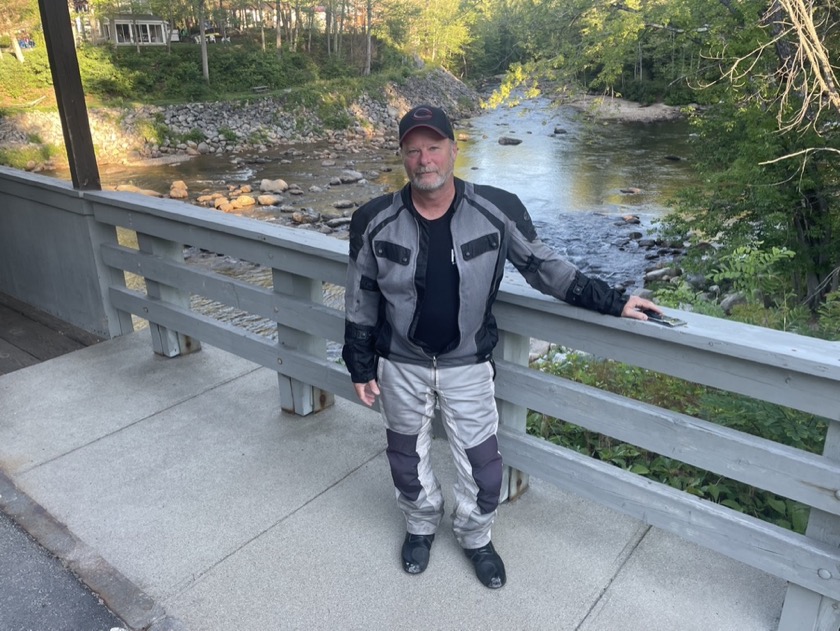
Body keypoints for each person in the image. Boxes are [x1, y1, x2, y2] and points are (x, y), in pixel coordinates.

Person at [342, 104, 661, 589]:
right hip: (400, 364)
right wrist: (359, 364)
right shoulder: (373, 219)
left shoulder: (497, 209)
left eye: (434, 147)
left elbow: (545, 268)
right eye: (413, 150)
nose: (424, 159)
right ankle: (420, 525)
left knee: (486, 469)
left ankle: (475, 536)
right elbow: (360, 295)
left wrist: (613, 300)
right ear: (403, 158)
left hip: (468, 363)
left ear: (453, 149)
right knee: (405, 459)